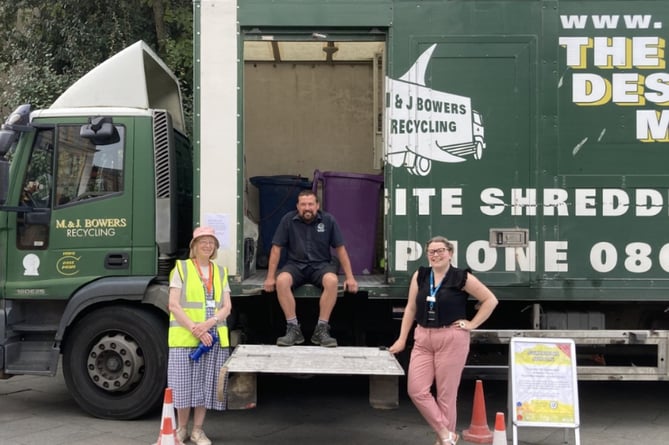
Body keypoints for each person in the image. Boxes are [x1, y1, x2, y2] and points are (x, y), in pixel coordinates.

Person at [389, 236, 498, 445]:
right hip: (423, 337)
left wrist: (472, 323)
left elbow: (490, 300)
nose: (435, 255)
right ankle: (446, 432)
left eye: (440, 251)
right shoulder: (421, 275)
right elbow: (411, 308)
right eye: (431, 251)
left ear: (450, 253)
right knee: (416, 389)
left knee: (446, 395)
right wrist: (402, 338)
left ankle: (444, 442)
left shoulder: (460, 277)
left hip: (451, 337)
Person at [263, 189, 359, 347]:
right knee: (282, 281)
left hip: (321, 265)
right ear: (297, 206)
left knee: (332, 280)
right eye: (303, 204)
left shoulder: (328, 220)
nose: (307, 208)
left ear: (317, 205)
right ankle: (293, 329)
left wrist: (350, 277)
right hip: (295, 265)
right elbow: (276, 249)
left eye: (310, 204)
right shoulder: (288, 220)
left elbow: (340, 249)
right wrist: (270, 277)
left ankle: (321, 330)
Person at [168, 226, 232, 445]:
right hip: (186, 337)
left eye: (211, 242)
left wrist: (208, 324)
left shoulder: (220, 271)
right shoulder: (181, 269)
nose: (207, 245)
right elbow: (173, 305)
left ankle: (198, 430)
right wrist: (195, 328)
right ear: (194, 246)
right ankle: (181, 429)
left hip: (212, 338)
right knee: (183, 385)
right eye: (203, 241)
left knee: (206, 386)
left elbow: (226, 307)